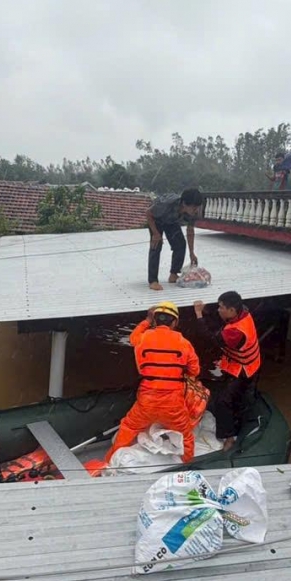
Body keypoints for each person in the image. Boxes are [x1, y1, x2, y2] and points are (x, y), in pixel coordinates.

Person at [106, 302, 202, 465]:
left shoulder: (142, 338)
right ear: (175, 322)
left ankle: (109, 461)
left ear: (155, 320)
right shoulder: (183, 343)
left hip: (147, 400)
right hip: (173, 404)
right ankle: (187, 465)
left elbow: (132, 337)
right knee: (186, 434)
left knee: (128, 427)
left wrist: (146, 320)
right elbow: (195, 371)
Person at [193, 291, 261, 451]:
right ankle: (237, 420)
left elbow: (210, 338)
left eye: (221, 307)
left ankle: (229, 436)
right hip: (249, 362)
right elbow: (221, 324)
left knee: (224, 401)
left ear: (231, 310)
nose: (218, 310)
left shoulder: (236, 331)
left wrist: (198, 314)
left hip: (244, 369)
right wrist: (207, 312)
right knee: (238, 398)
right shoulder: (243, 312)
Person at [146, 187, 203, 291]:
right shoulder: (167, 203)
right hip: (156, 219)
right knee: (156, 245)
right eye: (194, 208)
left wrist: (192, 253)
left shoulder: (194, 212)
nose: (196, 210)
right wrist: (155, 234)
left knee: (180, 244)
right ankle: (153, 281)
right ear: (185, 204)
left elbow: (190, 231)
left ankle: (173, 274)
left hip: (171, 222)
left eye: (197, 207)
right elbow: (149, 213)